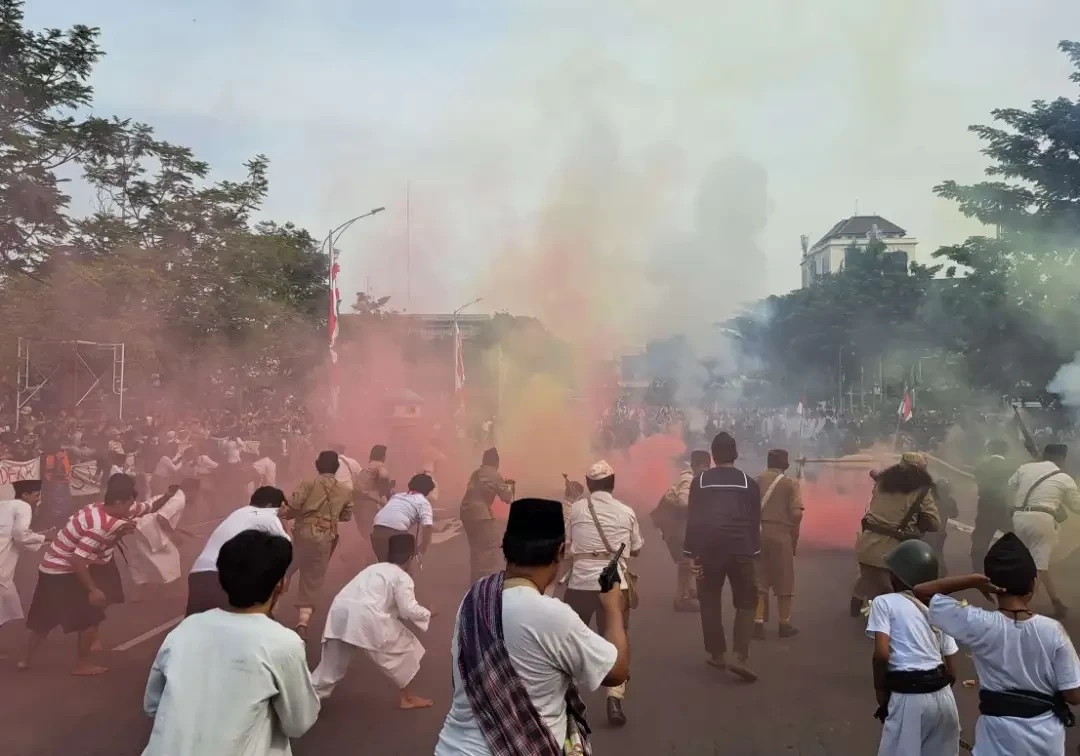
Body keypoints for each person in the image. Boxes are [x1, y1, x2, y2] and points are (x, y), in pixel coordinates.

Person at [434, 498, 630, 755]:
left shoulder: (473, 598)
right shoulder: (552, 616)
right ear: (561, 551)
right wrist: (613, 610)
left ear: (506, 546)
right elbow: (616, 672)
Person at [141, 530, 320, 756]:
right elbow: (298, 723)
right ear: (281, 585)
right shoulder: (283, 643)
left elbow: (152, 705)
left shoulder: (186, 628)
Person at [919, 533, 1080, 756]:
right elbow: (1074, 695)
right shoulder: (1053, 631)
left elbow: (922, 592)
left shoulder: (978, 623)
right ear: (1034, 583)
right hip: (1045, 741)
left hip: (995, 738)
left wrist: (973, 581)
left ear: (991, 584)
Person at [21, 474, 181, 675]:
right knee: (90, 617)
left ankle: (25, 660)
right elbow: (77, 560)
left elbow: (148, 507)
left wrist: (166, 496)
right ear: (118, 502)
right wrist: (92, 589)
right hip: (63, 570)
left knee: (43, 620)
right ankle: (82, 664)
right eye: (129, 503)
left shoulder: (99, 507)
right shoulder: (101, 526)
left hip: (49, 566)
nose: (132, 508)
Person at [311, 533, 433, 708]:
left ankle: (300, 701)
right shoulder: (402, 577)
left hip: (340, 612)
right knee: (406, 648)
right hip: (366, 617)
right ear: (410, 557)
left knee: (329, 670)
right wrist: (427, 612)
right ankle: (407, 698)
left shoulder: (373, 569)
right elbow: (408, 609)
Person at [563, 460, 642, 726]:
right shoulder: (626, 511)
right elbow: (636, 548)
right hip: (612, 585)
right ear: (613, 483)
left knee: (569, 643)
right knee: (616, 643)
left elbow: (568, 543)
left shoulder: (576, 509)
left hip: (580, 583)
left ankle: (563, 700)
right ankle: (615, 700)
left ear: (588, 484)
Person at [867, 539, 960, 756]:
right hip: (944, 697)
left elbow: (881, 654)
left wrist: (880, 691)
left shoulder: (884, 602)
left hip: (909, 697)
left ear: (894, 576)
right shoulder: (939, 610)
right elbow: (952, 670)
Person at [684, 432, 761, 682]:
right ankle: (740, 656)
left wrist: (689, 553)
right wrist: (755, 551)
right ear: (735, 455)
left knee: (709, 601)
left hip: (708, 552)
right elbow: (754, 522)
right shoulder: (749, 483)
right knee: (747, 602)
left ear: (713, 456)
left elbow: (693, 520)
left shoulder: (701, 481)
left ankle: (717, 654)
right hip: (741, 551)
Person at [851, 454, 941, 618]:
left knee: (867, 576)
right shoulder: (922, 491)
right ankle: (884, 624)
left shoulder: (882, 483)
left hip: (867, 540)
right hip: (894, 547)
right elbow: (934, 522)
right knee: (887, 587)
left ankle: (856, 606)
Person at [281, 451, 353, 638]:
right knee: (312, 579)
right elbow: (346, 516)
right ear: (336, 468)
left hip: (303, 534)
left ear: (317, 465)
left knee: (286, 568)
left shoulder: (308, 484)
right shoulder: (345, 490)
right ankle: (302, 622)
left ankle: (270, 608)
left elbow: (293, 508)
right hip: (326, 538)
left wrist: (281, 513)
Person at [1007, 443, 1079, 619]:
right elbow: (1077, 507)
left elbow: (1010, 485)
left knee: (1038, 562)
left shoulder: (1025, 467)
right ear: (1062, 458)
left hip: (1018, 518)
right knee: (1038, 566)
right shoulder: (1064, 478)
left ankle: (1057, 603)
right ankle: (1017, 608)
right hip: (1042, 520)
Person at [754, 448, 804, 640]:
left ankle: (757, 622)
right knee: (785, 581)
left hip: (758, 533)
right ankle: (784, 624)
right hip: (781, 535)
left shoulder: (756, 481)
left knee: (760, 578)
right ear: (786, 464)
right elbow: (797, 513)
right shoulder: (790, 483)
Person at [652, 450, 711, 612]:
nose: (707, 471)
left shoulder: (691, 477)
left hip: (675, 521)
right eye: (705, 467)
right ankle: (681, 598)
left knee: (689, 556)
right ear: (698, 465)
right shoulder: (688, 479)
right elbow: (683, 501)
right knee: (685, 559)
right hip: (672, 522)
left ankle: (688, 590)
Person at [124, 479, 198, 598]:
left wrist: (178, 531)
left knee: (138, 559)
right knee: (171, 555)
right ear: (192, 490)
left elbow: (164, 518)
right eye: (196, 493)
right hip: (147, 529)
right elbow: (161, 518)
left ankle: (141, 590)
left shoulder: (174, 496)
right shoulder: (179, 499)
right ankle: (165, 587)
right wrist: (174, 535)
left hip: (136, 526)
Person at [459, 447, 515, 584]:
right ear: (496, 462)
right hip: (481, 513)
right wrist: (509, 487)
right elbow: (507, 498)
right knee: (490, 545)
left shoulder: (476, 473)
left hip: (466, 512)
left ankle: (476, 581)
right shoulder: (494, 474)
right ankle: (484, 581)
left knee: (476, 548)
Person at [0, 480, 48, 637]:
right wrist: (45, 537)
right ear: (25, 494)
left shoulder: (4, 504)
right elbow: (20, 535)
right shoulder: (24, 506)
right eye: (36, 495)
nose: (39, 499)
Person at [370, 473, 436, 563]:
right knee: (403, 568)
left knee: (384, 565)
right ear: (428, 490)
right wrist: (424, 547)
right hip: (396, 535)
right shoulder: (423, 502)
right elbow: (428, 526)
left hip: (376, 532)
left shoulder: (397, 496)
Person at [971, 440, 1014, 571]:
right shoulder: (1011, 467)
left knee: (980, 540)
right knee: (1014, 538)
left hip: (985, 506)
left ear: (989, 450)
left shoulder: (981, 466)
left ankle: (977, 570)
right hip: (1003, 507)